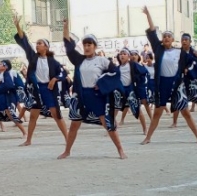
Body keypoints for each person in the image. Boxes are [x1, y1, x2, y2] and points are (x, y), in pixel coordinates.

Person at [57, 18, 127, 159]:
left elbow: (115, 73)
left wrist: (101, 83)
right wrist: (65, 26)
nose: (87, 47)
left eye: (89, 44)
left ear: (95, 46)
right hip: (82, 96)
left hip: (97, 96)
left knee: (108, 124)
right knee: (74, 125)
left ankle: (120, 150)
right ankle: (67, 151)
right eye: (85, 44)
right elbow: (68, 46)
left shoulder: (102, 61)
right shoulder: (79, 60)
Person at [140, 6, 197, 145]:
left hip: (176, 84)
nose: (166, 38)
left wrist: (191, 65)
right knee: (158, 112)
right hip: (162, 83)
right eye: (164, 36)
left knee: (185, 112)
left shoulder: (180, 52)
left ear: (173, 39)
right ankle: (148, 138)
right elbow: (152, 31)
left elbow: (193, 62)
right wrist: (148, 14)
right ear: (162, 40)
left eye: (169, 36)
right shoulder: (158, 48)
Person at [13, 15, 68, 146]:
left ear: (46, 47)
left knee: (56, 115)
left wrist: (55, 79)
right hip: (36, 90)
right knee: (33, 116)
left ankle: (67, 138)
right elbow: (24, 41)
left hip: (49, 90)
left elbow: (63, 73)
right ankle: (28, 140)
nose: (37, 45)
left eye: (40, 43)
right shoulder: (32, 57)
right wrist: (17, 26)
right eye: (36, 43)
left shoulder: (53, 62)